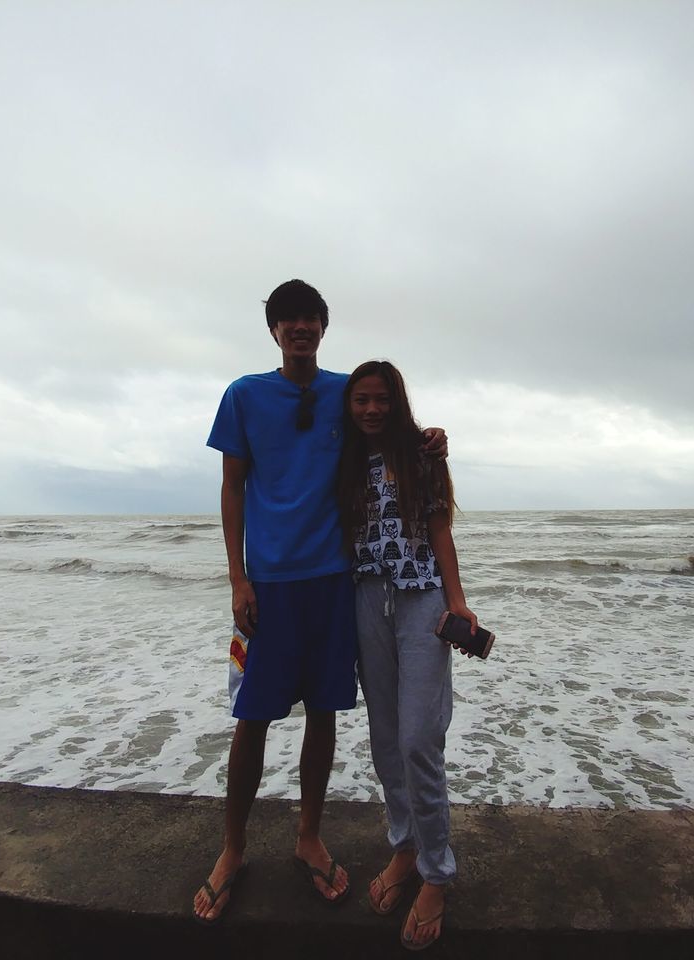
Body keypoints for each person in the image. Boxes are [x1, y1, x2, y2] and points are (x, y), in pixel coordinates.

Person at [194, 282, 446, 925]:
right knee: (251, 716)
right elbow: (231, 488)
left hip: (337, 580)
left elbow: (387, 421)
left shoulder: (344, 390)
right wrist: (237, 578)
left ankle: (309, 835)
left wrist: (431, 439)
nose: (299, 328)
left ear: (323, 327)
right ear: (274, 330)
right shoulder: (244, 395)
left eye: (309, 319)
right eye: (288, 320)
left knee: (325, 713)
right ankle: (232, 849)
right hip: (270, 585)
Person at [336, 359, 476, 951]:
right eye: (361, 400)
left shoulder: (423, 454)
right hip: (366, 598)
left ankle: (437, 874)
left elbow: (440, 528)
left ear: (398, 402)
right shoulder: (341, 460)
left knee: (420, 737)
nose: (371, 409)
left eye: (381, 400)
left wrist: (460, 602)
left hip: (422, 599)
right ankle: (404, 848)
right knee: (386, 736)